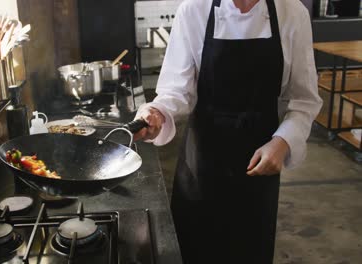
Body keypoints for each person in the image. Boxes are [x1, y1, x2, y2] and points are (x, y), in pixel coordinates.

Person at [133, 0, 323, 263]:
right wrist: (157, 112)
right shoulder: (193, 10)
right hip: (202, 165)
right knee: (194, 249)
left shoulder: (292, 13)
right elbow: (176, 90)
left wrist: (283, 141)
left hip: (259, 165)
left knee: (249, 251)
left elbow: (303, 100)